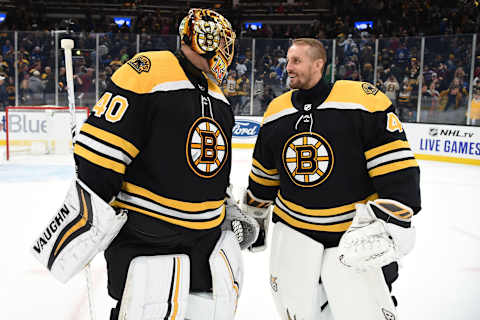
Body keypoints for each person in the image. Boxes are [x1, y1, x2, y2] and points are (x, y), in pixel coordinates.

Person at [31, 8, 258, 320]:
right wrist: (84, 222)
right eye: (225, 42)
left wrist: (225, 206)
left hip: (205, 247)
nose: (228, 52)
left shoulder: (219, 99)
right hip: (149, 244)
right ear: (209, 41)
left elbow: (212, 171)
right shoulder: (150, 69)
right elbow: (100, 160)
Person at [242, 38, 421, 320]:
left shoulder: (362, 100)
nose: (287, 67)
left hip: (353, 238)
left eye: (296, 61)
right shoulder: (276, 110)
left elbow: (396, 169)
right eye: (287, 61)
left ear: (318, 64)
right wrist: (255, 214)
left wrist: (392, 221)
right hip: (294, 236)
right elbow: (264, 174)